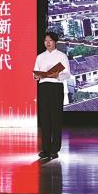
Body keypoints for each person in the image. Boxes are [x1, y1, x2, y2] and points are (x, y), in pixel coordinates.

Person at [33, 32, 71, 160]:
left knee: (56, 118)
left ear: (55, 42)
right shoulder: (40, 57)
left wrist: (57, 75)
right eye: (45, 41)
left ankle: (55, 149)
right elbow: (35, 74)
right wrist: (36, 76)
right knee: (44, 118)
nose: (47, 43)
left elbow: (67, 74)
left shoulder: (62, 56)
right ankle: (45, 149)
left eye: (50, 40)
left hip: (56, 87)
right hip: (43, 87)